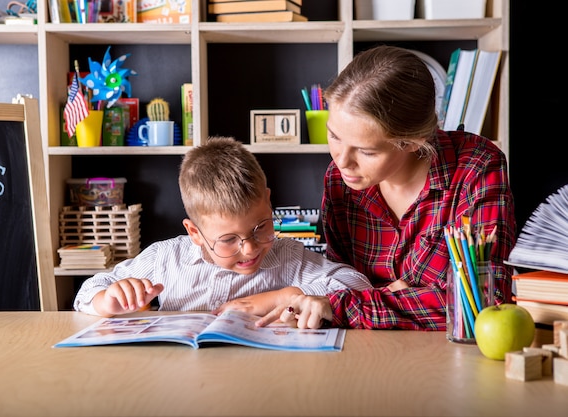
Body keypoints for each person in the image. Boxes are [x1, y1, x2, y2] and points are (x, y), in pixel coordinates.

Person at [256, 45, 517, 331]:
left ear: (413, 141)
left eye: (366, 151)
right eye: (334, 136)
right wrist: (405, 299)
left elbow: (484, 301)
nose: (342, 161)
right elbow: (337, 281)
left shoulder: (477, 167)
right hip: (362, 352)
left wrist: (354, 304)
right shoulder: (339, 181)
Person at [73, 136, 372, 317]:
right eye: (229, 240)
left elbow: (358, 285)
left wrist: (283, 297)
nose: (251, 248)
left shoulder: (288, 257)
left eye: (261, 228)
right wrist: (108, 300)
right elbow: (86, 293)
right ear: (195, 233)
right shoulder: (166, 259)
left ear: (269, 202)